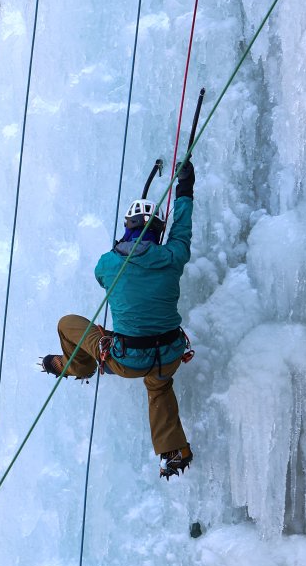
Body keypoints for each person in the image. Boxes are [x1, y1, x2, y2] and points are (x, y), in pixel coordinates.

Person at [41, 160, 196, 479]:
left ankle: (78, 366)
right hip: (169, 354)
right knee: (159, 384)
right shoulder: (173, 257)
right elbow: (182, 229)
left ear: (128, 228)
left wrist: (121, 252)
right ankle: (174, 451)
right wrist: (184, 187)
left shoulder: (109, 263)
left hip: (127, 360)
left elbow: (102, 275)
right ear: (157, 231)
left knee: (68, 323)